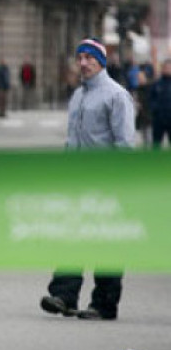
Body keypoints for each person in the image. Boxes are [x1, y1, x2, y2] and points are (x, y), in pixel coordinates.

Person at [40, 37, 135, 321]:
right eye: (79, 58)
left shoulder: (116, 96)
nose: (83, 63)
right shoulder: (78, 96)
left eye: (89, 58)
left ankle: (104, 304)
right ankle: (64, 296)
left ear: (101, 62)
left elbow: (124, 144)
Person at [149, 58, 171, 148]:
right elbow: (150, 98)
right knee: (156, 144)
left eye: (169, 68)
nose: (167, 69)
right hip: (159, 119)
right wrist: (154, 109)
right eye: (166, 67)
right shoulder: (157, 84)